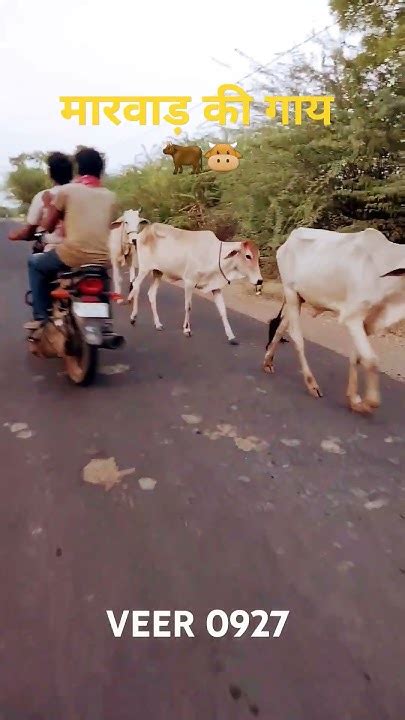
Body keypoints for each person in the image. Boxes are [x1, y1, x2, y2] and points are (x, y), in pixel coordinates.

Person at [21, 147, 116, 330]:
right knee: (101, 275)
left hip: (71, 254)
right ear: (101, 169)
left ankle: (41, 317)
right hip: (103, 257)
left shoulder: (67, 191)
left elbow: (48, 226)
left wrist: (49, 205)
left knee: (35, 263)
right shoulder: (110, 196)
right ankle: (105, 321)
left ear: (78, 169)